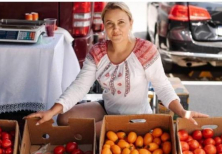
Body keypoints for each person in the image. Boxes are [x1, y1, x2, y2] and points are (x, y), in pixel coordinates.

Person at [24, 2, 208, 136]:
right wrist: (51, 112)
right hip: (108, 109)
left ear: (130, 23)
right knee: (63, 119)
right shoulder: (97, 52)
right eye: (110, 24)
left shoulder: (146, 50)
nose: (116, 29)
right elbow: (79, 87)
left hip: (137, 117)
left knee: (88, 134)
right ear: (104, 26)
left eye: (121, 22)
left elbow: (163, 87)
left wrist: (183, 113)